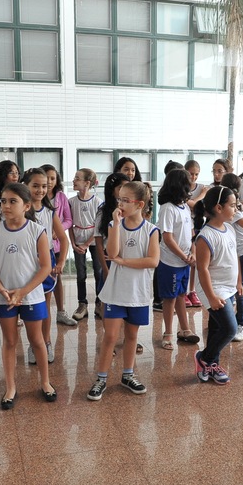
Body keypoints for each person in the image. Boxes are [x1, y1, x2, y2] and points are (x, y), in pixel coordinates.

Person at [0, 182, 57, 409]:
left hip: (31, 296)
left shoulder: (37, 231)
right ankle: (10, 387)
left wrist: (23, 292)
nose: (5, 206)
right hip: (4, 297)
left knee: (37, 340)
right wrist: (3, 290)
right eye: (3, 201)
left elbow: (46, 267)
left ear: (26, 206)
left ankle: (45, 382)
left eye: (12, 201)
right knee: (10, 341)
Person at [88, 181, 159, 401]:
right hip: (116, 291)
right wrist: (117, 225)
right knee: (110, 336)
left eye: (125, 200)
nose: (120, 204)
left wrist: (124, 262)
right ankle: (101, 378)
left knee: (131, 335)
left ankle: (128, 375)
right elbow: (112, 253)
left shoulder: (151, 230)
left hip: (138, 293)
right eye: (119, 199)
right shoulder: (114, 224)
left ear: (139, 204)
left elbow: (153, 261)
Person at [21, 167, 70, 364]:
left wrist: (61, 261)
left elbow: (64, 240)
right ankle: (34, 343)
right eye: (35, 186)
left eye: (44, 186)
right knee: (29, 305)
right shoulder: (21, 210)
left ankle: (46, 341)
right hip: (26, 262)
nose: (40, 190)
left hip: (46, 261)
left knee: (45, 305)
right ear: (25, 186)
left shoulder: (49, 212)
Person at [193, 186, 241, 385]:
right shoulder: (205, 236)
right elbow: (202, 269)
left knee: (216, 327)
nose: (236, 209)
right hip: (213, 288)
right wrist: (211, 296)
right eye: (233, 205)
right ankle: (204, 358)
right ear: (219, 208)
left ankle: (212, 365)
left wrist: (239, 282)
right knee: (230, 328)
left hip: (228, 287)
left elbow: (234, 257)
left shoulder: (229, 228)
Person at [156, 168, 199, 349]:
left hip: (184, 261)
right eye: (188, 182)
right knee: (170, 298)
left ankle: (185, 329)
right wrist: (184, 256)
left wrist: (193, 254)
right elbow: (167, 238)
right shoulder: (168, 208)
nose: (191, 185)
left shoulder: (185, 207)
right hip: (170, 262)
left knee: (181, 294)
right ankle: (167, 333)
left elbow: (191, 235)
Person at [42, 164, 77, 326]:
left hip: (55, 246)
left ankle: (61, 312)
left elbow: (69, 220)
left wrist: (59, 229)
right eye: (46, 178)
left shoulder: (61, 196)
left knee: (57, 278)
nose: (49, 181)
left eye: (52, 178)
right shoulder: (34, 197)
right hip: (38, 248)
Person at [220, 173, 243, 343]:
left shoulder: (235, 210)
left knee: (240, 286)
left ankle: (242, 323)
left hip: (241, 250)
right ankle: (229, 321)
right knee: (232, 284)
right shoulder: (228, 205)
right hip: (230, 250)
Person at [95, 172, 131, 320]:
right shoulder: (103, 211)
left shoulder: (130, 209)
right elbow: (98, 241)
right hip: (110, 259)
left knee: (125, 296)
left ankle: (124, 331)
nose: (124, 191)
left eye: (127, 187)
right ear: (112, 190)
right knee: (108, 298)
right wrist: (104, 268)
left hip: (127, 258)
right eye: (120, 187)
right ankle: (108, 329)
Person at [69, 168, 103, 321]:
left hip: (95, 240)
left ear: (87, 183)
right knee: (80, 274)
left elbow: (98, 226)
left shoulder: (97, 202)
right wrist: (73, 243)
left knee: (98, 272)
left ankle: (99, 303)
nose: (74, 181)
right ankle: (82, 304)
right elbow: (70, 225)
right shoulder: (71, 202)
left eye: (77, 178)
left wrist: (87, 243)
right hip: (78, 241)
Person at [184, 159, 205, 308]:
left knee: (195, 261)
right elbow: (194, 205)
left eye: (196, 174)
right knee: (186, 259)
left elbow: (201, 209)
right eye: (191, 173)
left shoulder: (202, 187)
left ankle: (192, 290)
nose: (193, 177)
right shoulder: (182, 187)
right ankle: (184, 291)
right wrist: (202, 195)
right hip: (185, 227)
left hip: (198, 226)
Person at [0, 160, 20, 224]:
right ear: (3, 175)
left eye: (16, 173)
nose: (15, 176)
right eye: (11, 173)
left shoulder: (20, 192)